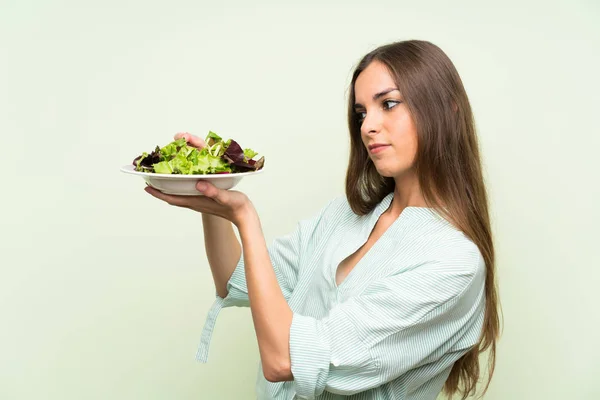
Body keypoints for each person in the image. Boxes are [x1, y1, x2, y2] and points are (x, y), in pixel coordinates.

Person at [145, 39, 501, 400]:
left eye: (389, 104)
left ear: (448, 109)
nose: (368, 126)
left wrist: (245, 217)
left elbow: (285, 359)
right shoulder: (343, 216)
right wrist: (213, 187)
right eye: (361, 113)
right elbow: (235, 279)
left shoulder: (453, 263)